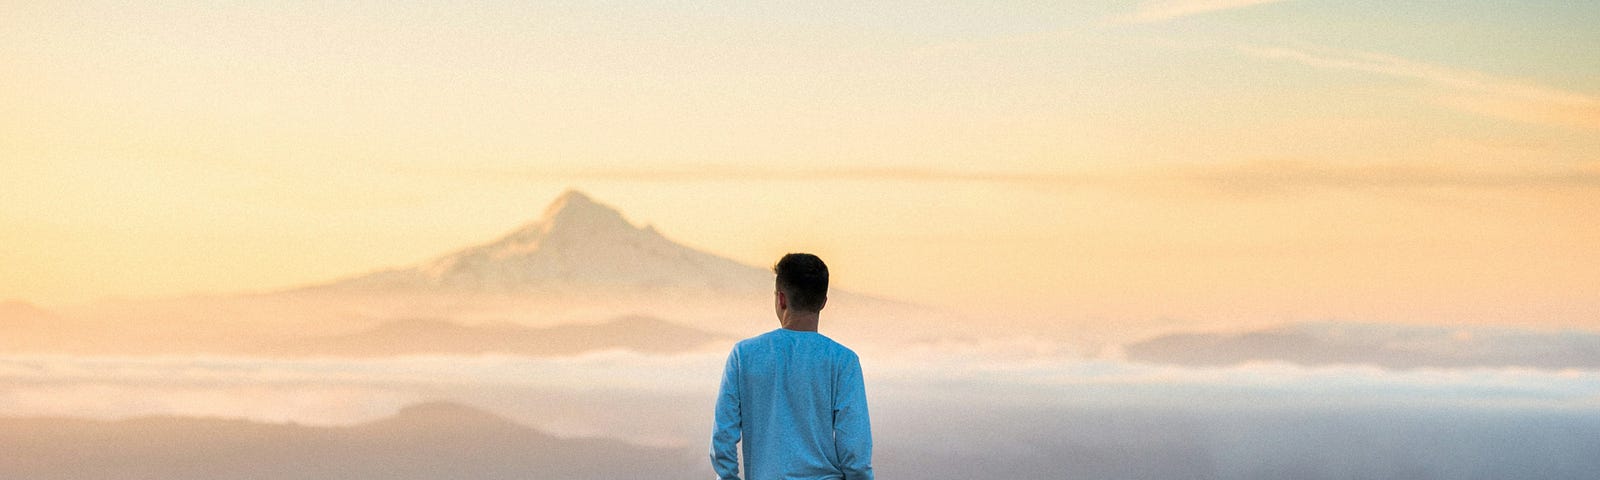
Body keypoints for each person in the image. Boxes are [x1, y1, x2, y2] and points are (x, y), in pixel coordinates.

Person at [711, 253, 873, 480]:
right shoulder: (843, 361)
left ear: (781, 299)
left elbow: (723, 439)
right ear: (823, 302)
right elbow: (855, 453)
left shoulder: (744, 355)